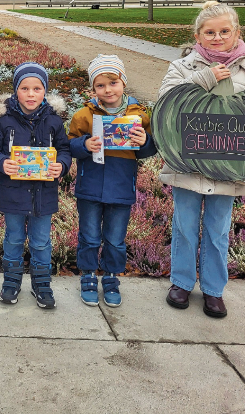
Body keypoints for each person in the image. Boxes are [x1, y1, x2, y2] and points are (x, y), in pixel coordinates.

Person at [158, 1, 245, 318]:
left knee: (217, 230)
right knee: (184, 226)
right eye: (209, 32)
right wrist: (204, 79)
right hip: (187, 164)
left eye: (224, 31)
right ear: (197, 35)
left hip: (229, 169)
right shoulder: (182, 68)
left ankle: (213, 290)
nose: (217, 37)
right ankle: (181, 282)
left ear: (237, 32)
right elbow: (166, 104)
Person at [68, 55, 156, 307]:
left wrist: (144, 142)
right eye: (100, 85)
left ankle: (110, 277)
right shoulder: (84, 115)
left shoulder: (139, 115)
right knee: (89, 236)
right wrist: (84, 144)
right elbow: (69, 145)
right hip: (90, 186)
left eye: (113, 82)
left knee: (115, 239)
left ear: (123, 83)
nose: (108, 90)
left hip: (120, 186)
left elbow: (147, 150)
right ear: (93, 89)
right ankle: (87, 275)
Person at [0, 63, 71, 308]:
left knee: (41, 241)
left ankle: (42, 286)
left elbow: (64, 149)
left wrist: (61, 166)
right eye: (24, 88)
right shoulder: (2, 121)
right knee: (13, 239)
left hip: (44, 195)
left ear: (45, 91)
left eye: (37, 88)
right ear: (15, 91)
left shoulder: (53, 121)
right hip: (13, 195)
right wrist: (2, 163)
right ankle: (11, 282)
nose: (31, 94)